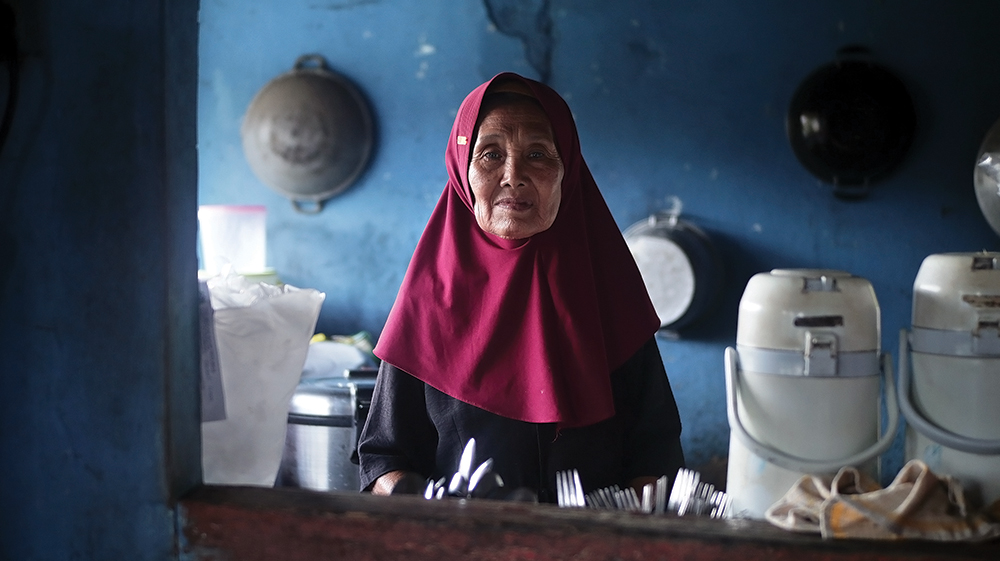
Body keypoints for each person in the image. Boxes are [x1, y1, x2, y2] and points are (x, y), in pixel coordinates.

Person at [357, 72, 685, 502]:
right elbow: (383, 458)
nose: (513, 175)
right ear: (462, 171)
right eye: (490, 154)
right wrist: (427, 515)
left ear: (567, 168)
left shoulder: (611, 294)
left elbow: (657, 457)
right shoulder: (429, 300)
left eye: (537, 154)